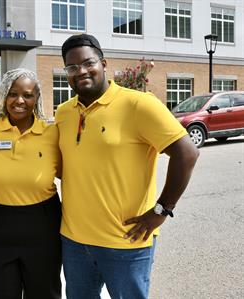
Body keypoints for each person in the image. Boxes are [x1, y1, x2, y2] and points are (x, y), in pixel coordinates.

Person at [55, 34, 199, 299]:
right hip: (75, 243)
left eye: (88, 63)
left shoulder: (138, 104)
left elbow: (186, 154)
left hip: (126, 243)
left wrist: (162, 209)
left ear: (104, 63)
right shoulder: (63, 112)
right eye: (72, 67)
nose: (81, 71)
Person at [0, 68, 62, 299]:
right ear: (4, 96)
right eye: (12, 94)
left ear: (37, 98)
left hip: (43, 225)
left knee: (44, 293)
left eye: (27, 95)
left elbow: (69, 173)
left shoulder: (53, 133)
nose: (19, 101)